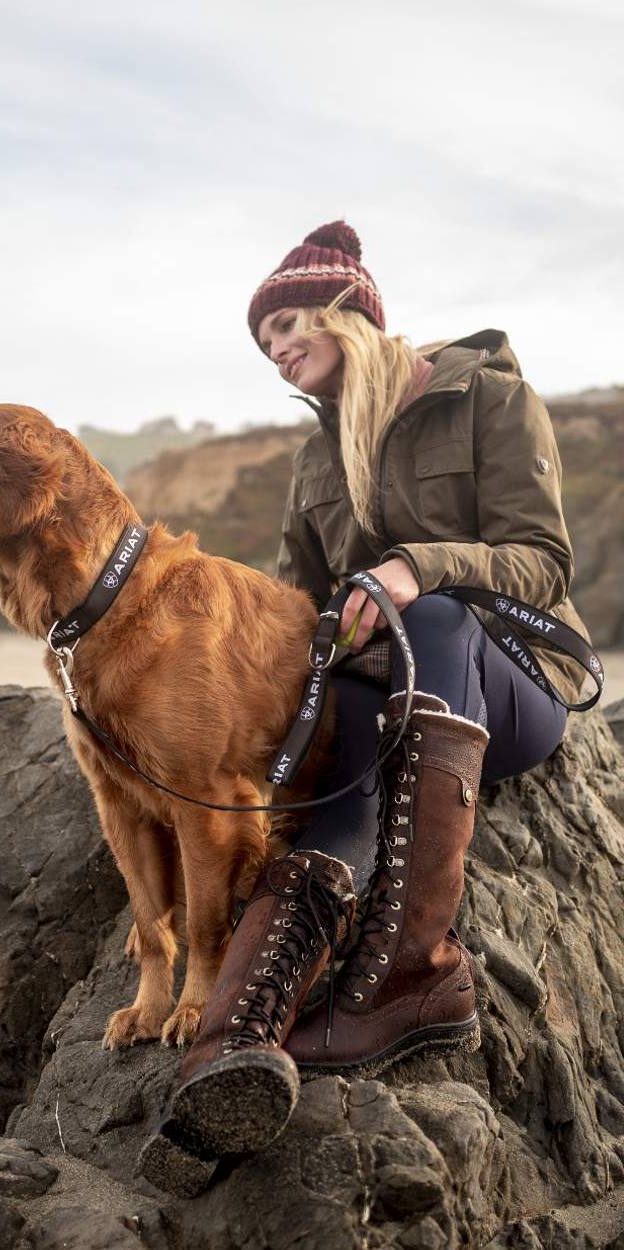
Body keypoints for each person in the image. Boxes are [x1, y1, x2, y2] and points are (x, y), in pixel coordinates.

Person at [138, 219, 591, 1198]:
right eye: (263, 342)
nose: (276, 348)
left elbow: (542, 560)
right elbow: (294, 602)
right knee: (337, 781)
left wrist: (412, 565)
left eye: (287, 323)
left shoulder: (488, 399)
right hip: (381, 691)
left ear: (350, 311)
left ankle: (413, 968)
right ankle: (232, 1045)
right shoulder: (312, 459)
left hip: (509, 681)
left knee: (434, 619)